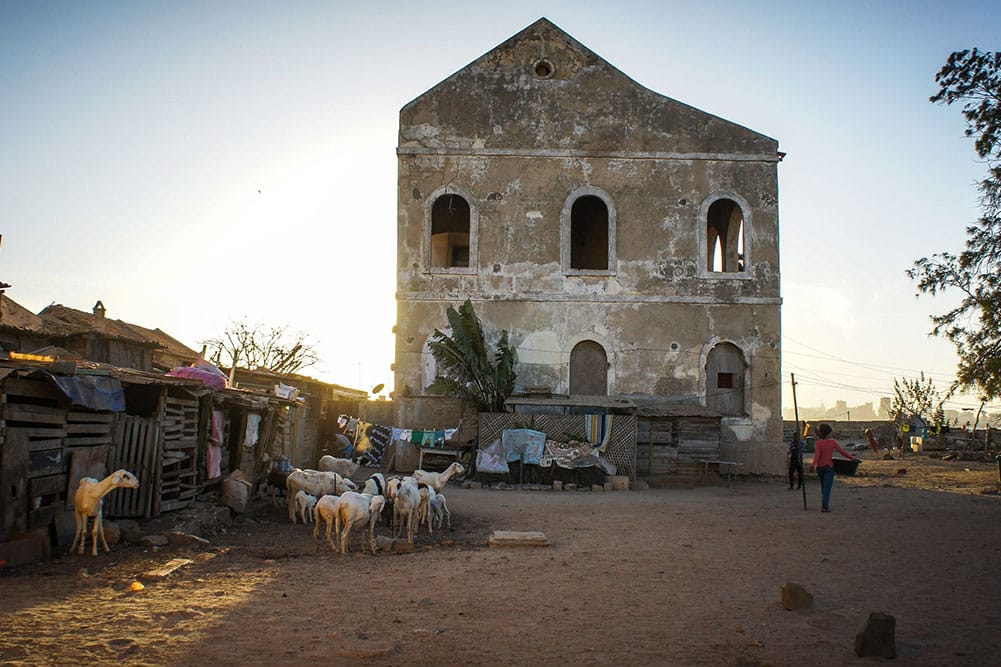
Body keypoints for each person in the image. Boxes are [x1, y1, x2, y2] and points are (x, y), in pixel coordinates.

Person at [809, 423, 857, 512]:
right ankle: (825, 506)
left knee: (823, 487)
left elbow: (817, 455)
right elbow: (842, 451)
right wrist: (852, 458)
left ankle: (824, 504)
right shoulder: (832, 442)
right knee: (827, 487)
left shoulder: (818, 443)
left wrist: (813, 465)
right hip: (829, 467)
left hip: (820, 467)